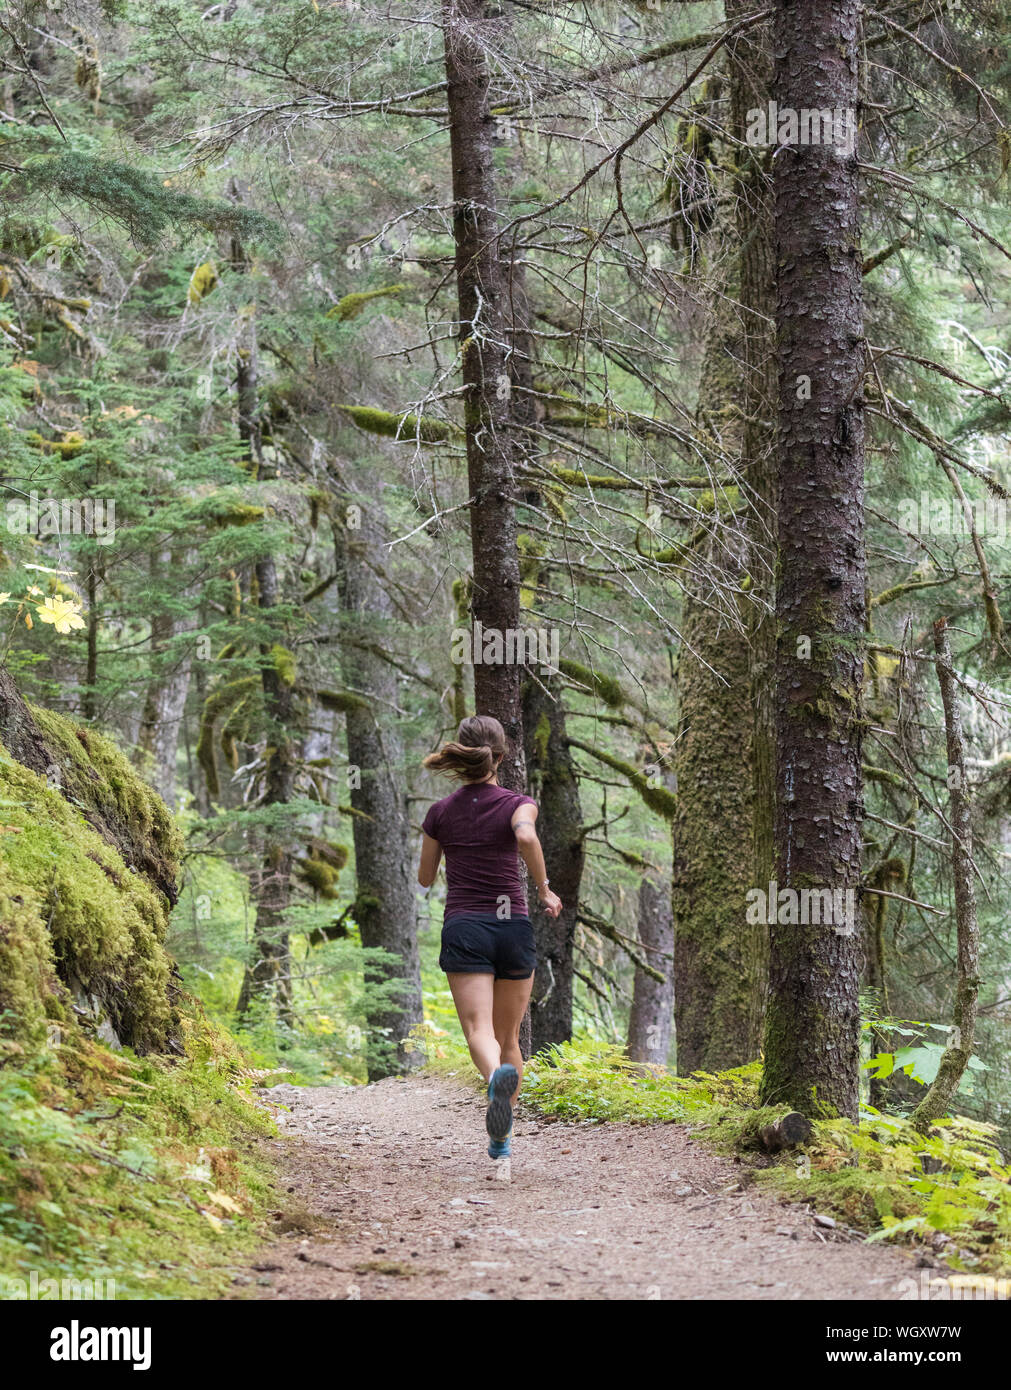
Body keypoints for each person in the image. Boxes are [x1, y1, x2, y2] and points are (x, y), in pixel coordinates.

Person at [418, 714, 563, 1160]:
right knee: (510, 1035)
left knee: (478, 1030)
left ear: (460, 756)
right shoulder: (520, 804)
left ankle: (494, 1082)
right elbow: (524, 835)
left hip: (466, 927)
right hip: (513, 926)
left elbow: (425, 878)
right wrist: (544, 888)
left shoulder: (440, 813)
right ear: (501, 756)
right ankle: (502, 1135)